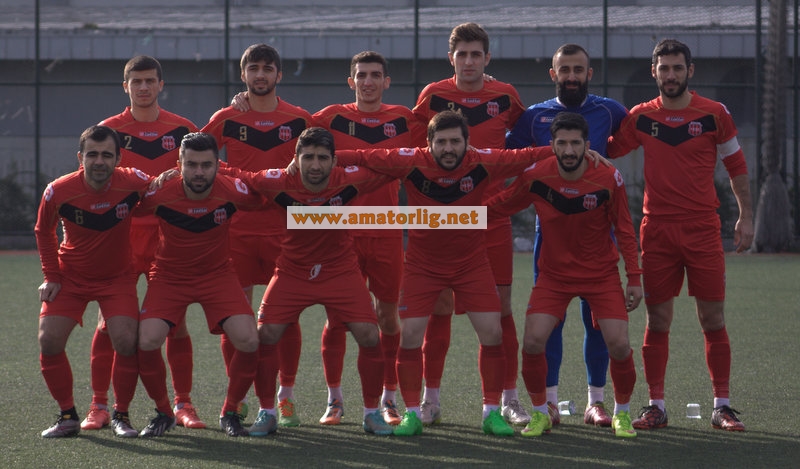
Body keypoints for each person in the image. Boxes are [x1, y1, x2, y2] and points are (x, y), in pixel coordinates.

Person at [334, 110, 600, 437]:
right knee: (411, 335)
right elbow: (363, 156)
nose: (449, 148)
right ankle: (413, 413)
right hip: (422, 266)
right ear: (428, 143)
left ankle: (491, 412)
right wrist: (315, 157)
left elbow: (524, 156)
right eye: (441, 142)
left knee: (492, 333)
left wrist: (567, 150)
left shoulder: (482, 161)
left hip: (470, 264)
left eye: (455, 141)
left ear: (467, 143)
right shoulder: (410, 161)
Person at [607, 38, 754, 432]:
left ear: (690, 71)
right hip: (657, 230)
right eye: (663, 68)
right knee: (657, 320)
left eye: (676, 68)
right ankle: (656, 406)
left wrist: (746, 216)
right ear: (653, 72)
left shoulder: (714, 114)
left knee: (712, 318)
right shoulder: (640, 117)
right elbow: (606, 151)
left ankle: (722, 406)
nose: (670, 75)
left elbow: (736, 165)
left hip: (703, 229)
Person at [222, 127, 398, 437]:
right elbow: (239, 175)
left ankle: (372, 413)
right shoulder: (276, 180)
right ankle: (268, 411)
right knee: (266, 334)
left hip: (340, 269)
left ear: (334, 161)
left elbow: (393, 166)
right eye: (308, 158)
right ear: (296, 159)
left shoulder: (350, 179)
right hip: (293, 270)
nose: (315, 165)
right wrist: (184, 168)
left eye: (322, 158)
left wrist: (350, 156)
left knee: (370, 335)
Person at [488, 112, 641, 438]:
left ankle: (622, 414)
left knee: (619, 344)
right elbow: (501, 205)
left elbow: (625, 229)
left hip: (601, 275)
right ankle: (541, 413)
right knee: (533, 341)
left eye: (575, 143)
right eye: (562, 143)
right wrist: (445, 215)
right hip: (554, 277)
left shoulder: (608, 177)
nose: (569, 150)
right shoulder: (536, 175)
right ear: (552, 145)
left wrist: (635, 277)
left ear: (587, 145)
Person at [505, 43, 629, 427]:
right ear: (553, 74)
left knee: (598, 323)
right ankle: (550, 403)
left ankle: (596, 402)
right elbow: (509, 158)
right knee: (548, 326)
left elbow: (629, 142)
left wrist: (603, 162)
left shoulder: (610, 111)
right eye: (565, 70)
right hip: (551, 235)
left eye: (578, 70)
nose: (571, 76)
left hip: (596, 235)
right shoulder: (533, 116)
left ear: (589, 74)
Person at [411, 22, 528, 427]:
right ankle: (430, 399)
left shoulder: (505, 95)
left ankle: (507, 399)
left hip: (492, 220)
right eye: (462, 54)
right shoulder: (432, 95)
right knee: (439, 307)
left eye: (476, 54)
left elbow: (527, 139)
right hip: (444, 220)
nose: (469, 61)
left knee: (501, 311)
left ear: (487, 58)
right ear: (451, 58)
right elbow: (414, 146)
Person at [82, 55, 205, 432]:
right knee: (108, 324)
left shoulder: (183, 128)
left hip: (169, 236)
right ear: (126, 87)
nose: (144, 87)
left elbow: (201, 174)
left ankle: (183, 403)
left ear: (161, 85)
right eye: (136, 81)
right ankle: (99, 405)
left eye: (150, 80)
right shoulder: (108, 130)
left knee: (175, 324)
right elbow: (92, 182)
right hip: (120, 235)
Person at [310, 51, 424, 426]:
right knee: (338, 318)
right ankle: (334, 399)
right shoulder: (330, 118)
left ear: (386, 82)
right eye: (361, 75)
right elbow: (293, 132)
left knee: (387, 317)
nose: (368, 81)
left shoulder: (404, 119)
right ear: (351, 81)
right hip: (340, 234)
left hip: (387, 231)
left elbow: (441, 139)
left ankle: (388, 399)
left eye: (375, 75)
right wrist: (243, 99)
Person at [202, 43, 313, 427]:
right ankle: (240, 395)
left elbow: (322, 158)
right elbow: (197, 156)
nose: (261, 75)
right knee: (235, 315)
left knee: (286, 316)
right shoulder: (226, 117)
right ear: (243, 74)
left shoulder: (300, 119)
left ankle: (286, 395)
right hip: (237, 230)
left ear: (279, 75)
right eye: (254, 68)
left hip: (288, 230)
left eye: (268, 68)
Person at [135, 132, 264, 437]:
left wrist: (328, 218)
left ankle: (230, 412)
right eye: (191, 165)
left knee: (249, 340)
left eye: (206, 165)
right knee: (146, 341)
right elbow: (127, 207)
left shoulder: (232, 190)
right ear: (179, 164)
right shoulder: (159, 193)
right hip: (169, 277)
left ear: (218, 165)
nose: (198, 172)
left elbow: (265, 198)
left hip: (217, 276)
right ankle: (164, 412)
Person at [35, 125, 148, 438]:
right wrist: (51, 276)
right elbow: (43, 231)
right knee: (49, 341)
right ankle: (67, 415)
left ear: (118, 159)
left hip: (117, 278)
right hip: (71, 277)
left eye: (107, 155)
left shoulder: (134, 182)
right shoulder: (58, 190)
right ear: (80, 158)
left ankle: (122, 415)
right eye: (93, 155)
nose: (99, 161)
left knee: (127, 341)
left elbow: (165, 192)